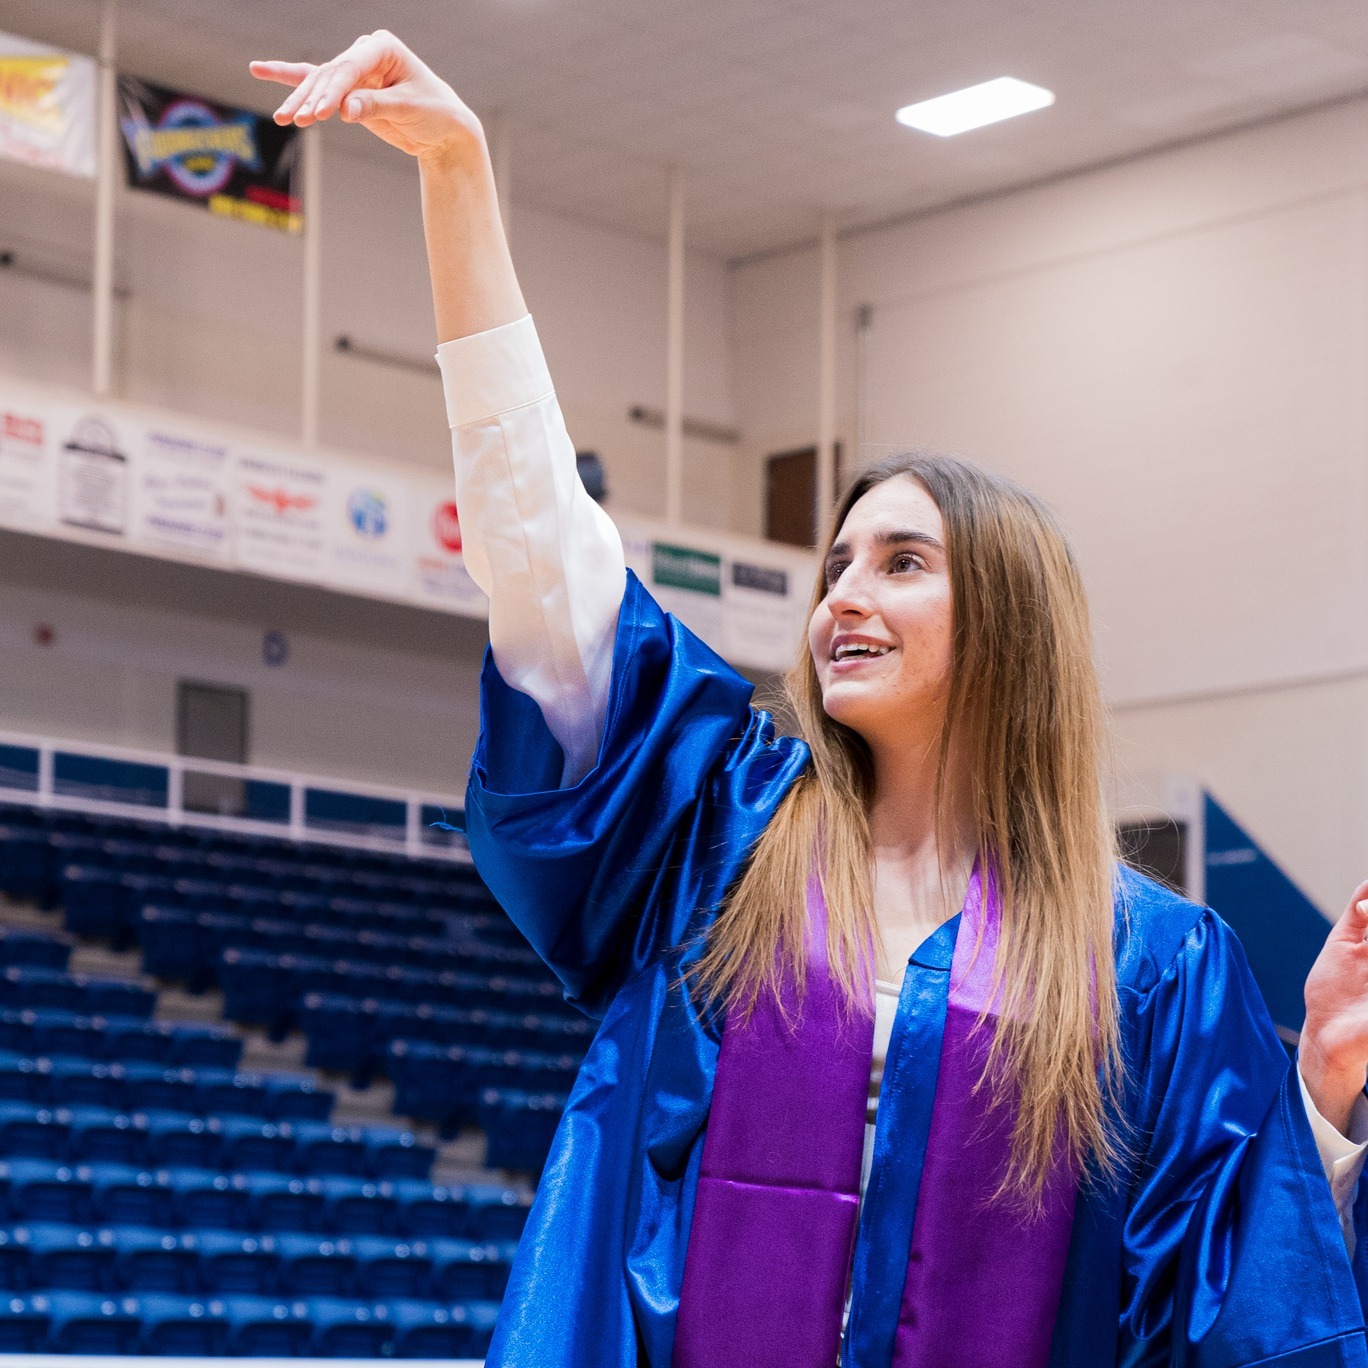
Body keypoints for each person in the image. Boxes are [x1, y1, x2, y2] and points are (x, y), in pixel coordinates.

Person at [253, 34, 1368, 1367]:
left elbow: (1240, 1309)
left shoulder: (1150, 967)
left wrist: (1316, 1108)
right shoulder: (715, 838)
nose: (843, 594)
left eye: (903, 564)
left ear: (1008, 625)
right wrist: (459, 180)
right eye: (836, 562)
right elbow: (542, 555)